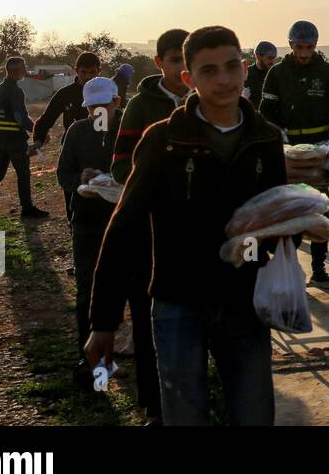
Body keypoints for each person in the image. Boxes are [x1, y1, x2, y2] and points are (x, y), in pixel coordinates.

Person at [85, 26, 285, 426]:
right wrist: (103, 322)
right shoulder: (163, 140)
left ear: (245, 69)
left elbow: (277, 217)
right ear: (189, 79)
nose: (224, 79)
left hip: (244, 302)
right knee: (185, 416)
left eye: (232, 66)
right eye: (209, 71)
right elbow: (124, 227)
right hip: (179, 301)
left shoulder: (266, 139)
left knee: (255, 414)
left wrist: (300, 225)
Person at [107, 27, 188, 422]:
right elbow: (120, 162)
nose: (183, 69)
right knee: (147, 315)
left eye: (189, 61)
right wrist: (153, 185)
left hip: (195, 231)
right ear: (159, 63)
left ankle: (192, 396)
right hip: (149, 231)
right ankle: (155, 406)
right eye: (175, 61)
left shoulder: (208, 98)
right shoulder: (141, 106)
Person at [259, 20, 329, 289]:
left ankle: (319, 269)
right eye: (300, 47)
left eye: (309, 47)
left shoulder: (327, 71)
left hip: (319, 145)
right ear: (291, 45)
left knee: (319, 209)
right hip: (289, 149)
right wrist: (278, 132)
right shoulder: (277, 73)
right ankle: (289, 268)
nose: (305, 53)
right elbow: (266, 109)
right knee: (291, 211)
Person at [58, 76, 120, 385]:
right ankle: (92, 362)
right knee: (87, 291)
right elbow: (63, 173)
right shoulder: (77, 132)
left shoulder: (127, 131)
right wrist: (81, 181)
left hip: (122, 220)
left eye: (103, 106)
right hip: (86, 220)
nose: (97, 113)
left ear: (116, 104)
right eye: (92, 108)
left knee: (130, 289)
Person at [0, 57, 51, 229]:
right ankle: (27, 209)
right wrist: (38, 130)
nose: (26, 70)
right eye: (23, 68)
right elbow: (20, 117)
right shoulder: (15, 91)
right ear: (16, 70)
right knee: (23, 174)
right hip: (14, 139)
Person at [32, 51, 101, 150]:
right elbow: (47, 119)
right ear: (76, 70)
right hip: (71, 147)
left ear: (99, 71)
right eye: (84, 72)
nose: (88, 77)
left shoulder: (108, 93)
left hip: (99, 147)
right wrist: (38, 141)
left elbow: (117, 121)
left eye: (92, 72)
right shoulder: (65, 94)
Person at [244, 40, 277, 106]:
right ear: (258, 56)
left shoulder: (276, 74)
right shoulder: (246, 74)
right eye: (270, 58)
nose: (273, 62)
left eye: (274, 58)